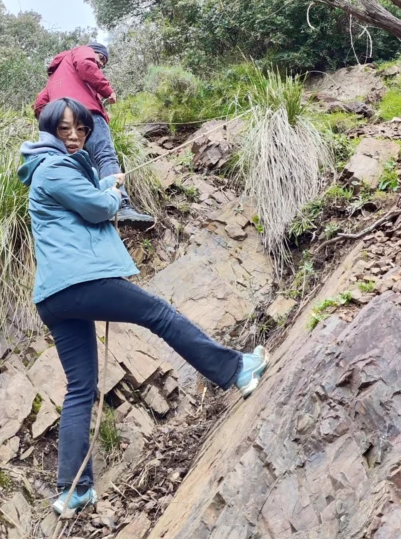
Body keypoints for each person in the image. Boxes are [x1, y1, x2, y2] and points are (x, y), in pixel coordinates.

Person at [18, 97, 268, 515]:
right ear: (49, 132)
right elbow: (98, 210)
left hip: (53, 297)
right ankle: (236, 370)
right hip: (82, 282)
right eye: (65, 130)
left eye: (81, 128)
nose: (76, 136)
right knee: (158, 314)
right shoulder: (55, 167)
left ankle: (74, 489)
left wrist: (102, 188)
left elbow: (81, 208)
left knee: (81, 387)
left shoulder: (43, 171)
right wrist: (113, 193)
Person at [33, 41, 154, 228]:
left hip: (61, 124)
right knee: (104, 156)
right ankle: (121, 206)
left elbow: (40, 103)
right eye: (100, 59)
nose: (100, 65)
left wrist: (54, 123)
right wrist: (107, 90)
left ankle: (92, 208)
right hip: (87, 114)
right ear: (93, 51)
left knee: (80, 167)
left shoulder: (55, 76)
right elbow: (86, 65)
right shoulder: (81, 51)